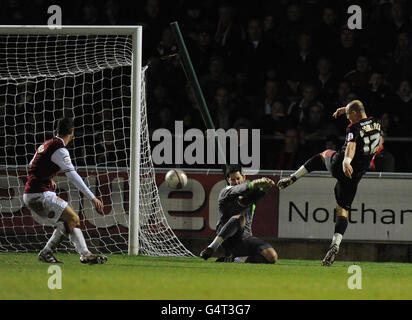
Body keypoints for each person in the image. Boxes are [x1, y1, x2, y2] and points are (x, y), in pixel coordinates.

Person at [277, 100, 381, 266]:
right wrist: (344, 109)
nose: (347, 119)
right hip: (355, 176)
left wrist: (346, 160)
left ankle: (292, 178)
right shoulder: (376, 123)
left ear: (354, 114)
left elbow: (351, 145)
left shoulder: (353, 128)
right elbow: (359, 114)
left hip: (342, 166)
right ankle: (335, 244)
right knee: (343, 211)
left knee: (323, 154)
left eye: (348, 116)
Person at [23, 117, 108, 264]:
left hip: (32, 193)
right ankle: (48, 252)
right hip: (40, 194)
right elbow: (72, 175)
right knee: (74, 219)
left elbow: (31, 165)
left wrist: (48, 178)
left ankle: (84, 254)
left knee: (67, 222)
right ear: (72, 131)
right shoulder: (60, 149)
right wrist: (92, 197)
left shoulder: (47, 144)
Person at [199, 165, 278, 264]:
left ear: (243, 177)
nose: (236, 182)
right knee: (239, 218)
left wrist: (265, 189)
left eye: (238, 178)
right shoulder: (226, 191)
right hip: (226, 239)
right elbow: (238, 190)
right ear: (228, 180)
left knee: (272, 257)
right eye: (232, 179)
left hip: (245, 239)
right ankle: (212, 247)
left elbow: (252, 196)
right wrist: (252, 184)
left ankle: (235, 260)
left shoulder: (249, 193)